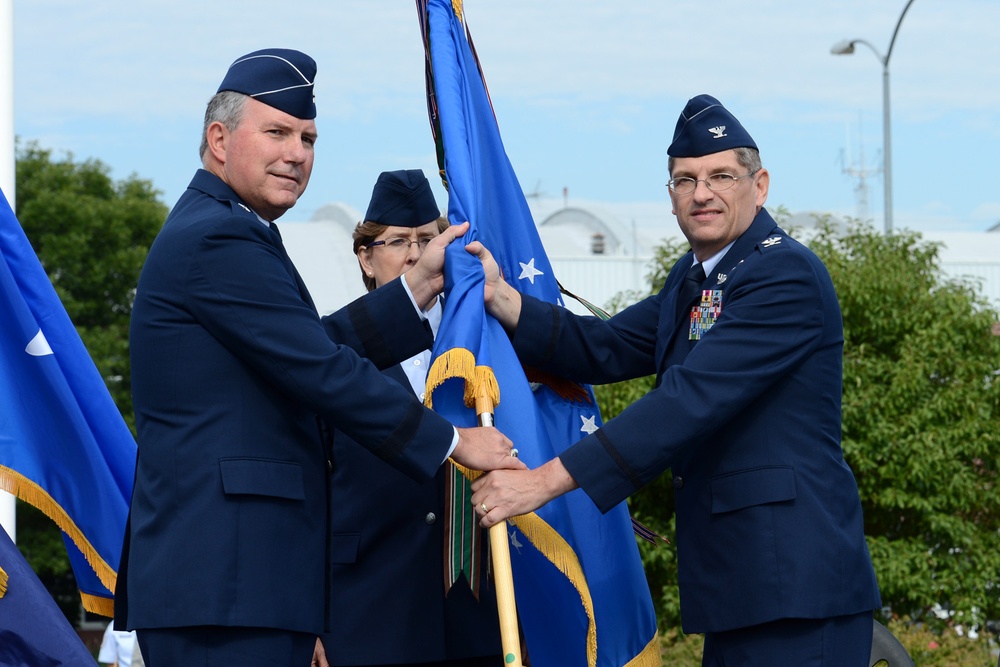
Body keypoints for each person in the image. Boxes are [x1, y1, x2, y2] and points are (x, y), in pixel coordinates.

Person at [115, 49, 522, 667]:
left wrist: (414, 290)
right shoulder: (219, 235)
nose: (297, 152)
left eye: (307, 137)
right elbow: (322, 370)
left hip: (238, 585)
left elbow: (307, 348)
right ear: (219, 139)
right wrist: (453, 443)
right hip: (225, 586)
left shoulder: (225, 228)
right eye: (276, 132)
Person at [467, 94, 882, 666]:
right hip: (745, 586)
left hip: (796, 589)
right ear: (671, 198)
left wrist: (540, 483)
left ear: (759, 186)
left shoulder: (781, 274)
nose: (701, 193)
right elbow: (607, 346)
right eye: (685, 180)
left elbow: (685, 403)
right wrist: (500, 297)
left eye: (720, 176)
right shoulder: (694, 279)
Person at [316, 169, 502, 667]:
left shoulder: (480, 350)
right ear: (366, 256)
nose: (418, 255)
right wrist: (307, 620)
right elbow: (307, 493)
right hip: (365, 613)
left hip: (475, 616)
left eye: (429, 238)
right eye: (399, 241)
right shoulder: (331, 352)